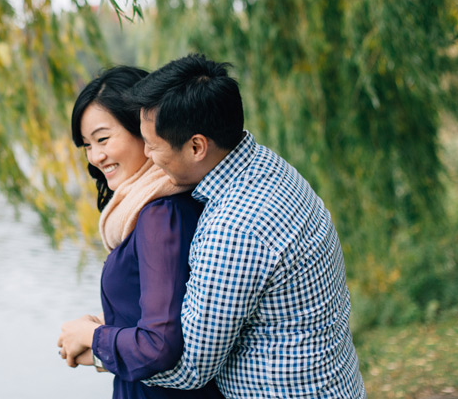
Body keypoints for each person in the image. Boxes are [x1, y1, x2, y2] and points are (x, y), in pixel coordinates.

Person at [131, 54, 367, 398]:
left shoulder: (233, 227)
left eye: (153, 146)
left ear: (197, 146)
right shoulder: (267, 165)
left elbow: (192, 368)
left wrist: (104, 348)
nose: (148, 157)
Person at [57, 66, 224, 399]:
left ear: (145, 130)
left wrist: (93, 336)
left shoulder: (160, 215)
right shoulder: (148, 209)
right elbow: (173, 314)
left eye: (103, 139)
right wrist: (103, 333)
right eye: (87, 145)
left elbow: (161, 345)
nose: (95, 157)